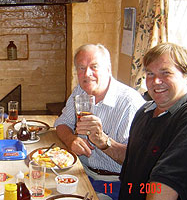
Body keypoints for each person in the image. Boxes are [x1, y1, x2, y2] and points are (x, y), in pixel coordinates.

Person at [54, 44, 145, 200]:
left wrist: (103, 141)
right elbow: (62, 123)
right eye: (81, 68)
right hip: (81, 171)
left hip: (115, 182)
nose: (87, 74)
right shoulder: (80, 92)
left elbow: (136, 159)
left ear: (108, 69)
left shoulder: (130, 103)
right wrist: (71, 140)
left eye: (94, 67)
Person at [119, 43, 187, 200]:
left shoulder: (185, 117)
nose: (156, 81)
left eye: (166, 73)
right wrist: (103, 142)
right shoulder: (144, 111)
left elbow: (166, 183)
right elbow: (132, 164)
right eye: (150, 74)